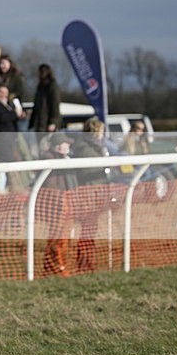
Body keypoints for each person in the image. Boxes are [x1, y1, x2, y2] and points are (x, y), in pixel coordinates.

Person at [70, 117, 111, 273]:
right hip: (88, 193)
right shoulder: (85, 149)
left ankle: (87, 262)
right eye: (101, 131)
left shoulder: (97, 147)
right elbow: (89, 171)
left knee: (90, 230)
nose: (102, 135)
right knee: (87, 231)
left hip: (96, 191)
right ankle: (84, 263)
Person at [40, 132, 77, 276]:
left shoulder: (64, 159)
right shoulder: (50, 161)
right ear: (57, 146)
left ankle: (53, 267)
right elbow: (52, 186)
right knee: (58, 238)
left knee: (61, 238)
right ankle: (56, 267)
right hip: (58, 205)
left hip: (65, 204)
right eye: (65, 143)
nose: (68, 145)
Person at [29, 63, 62, 155]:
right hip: (39, 124)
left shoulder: (52, 86)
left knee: (48, 146)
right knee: (41, 147)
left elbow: (55, 104)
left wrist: (53, 121)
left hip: (47, 122)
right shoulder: (40, 87)